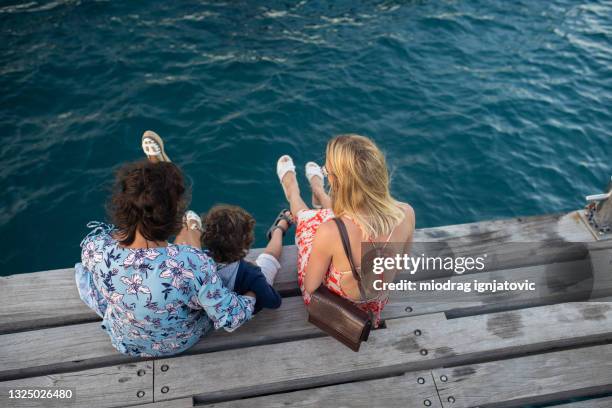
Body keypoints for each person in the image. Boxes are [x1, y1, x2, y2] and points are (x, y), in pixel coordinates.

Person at [75, 131, 256, 357]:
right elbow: (231, 318)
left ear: (121, 207)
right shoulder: (192, 263)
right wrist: (251, 296)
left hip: (124, 339)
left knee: (81, 272)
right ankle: (182, 215)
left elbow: (100, 255)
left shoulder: (96, 248)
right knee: (201, 271)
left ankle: (160, 188)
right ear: (172, 221)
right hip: (178, 342)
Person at [276, 134, 415, 327]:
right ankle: (319, 191)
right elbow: (399, 266)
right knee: (341, 216)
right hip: (375, 304)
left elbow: (311, 286)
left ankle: (293, 191)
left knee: (305, 218)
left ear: (336, 181)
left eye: (327, 172)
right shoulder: (406, 212)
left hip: (338, 311)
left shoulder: (330, 231)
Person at [200, 205, 291, 313]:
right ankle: (278, 230)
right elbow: (274, 302)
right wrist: (257, 275)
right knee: (269, 257)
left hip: (210, 312)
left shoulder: (197, 262)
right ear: (245, 244)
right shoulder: (252, 274)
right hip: (242, 312)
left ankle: (278, 230)